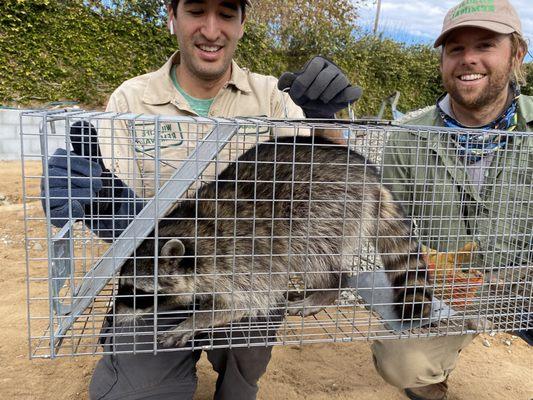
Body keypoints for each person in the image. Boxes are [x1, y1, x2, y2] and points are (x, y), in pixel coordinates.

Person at [41, 1, 360, 399]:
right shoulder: (132, 100)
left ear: (242, 23)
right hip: (165, 274)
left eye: (226, 14)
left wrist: (326, 122)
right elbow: (121, 220)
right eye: (196, 11)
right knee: (135, 392)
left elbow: (330, 178)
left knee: (245, 366)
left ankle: (237, 381)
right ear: (172, 15)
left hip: (245, 273)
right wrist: (89, 196)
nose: (211, 30)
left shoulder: (273, 97)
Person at [371, 1, 531, 399]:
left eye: (485, 45)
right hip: (444, 290)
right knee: (402, 361)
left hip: (522, 284)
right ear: (443, 60)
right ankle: (429, 380)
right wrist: (429, 273)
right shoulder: (408, 137)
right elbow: (388, 238)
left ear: (516, 54)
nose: (468, 59)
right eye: (455, 49)